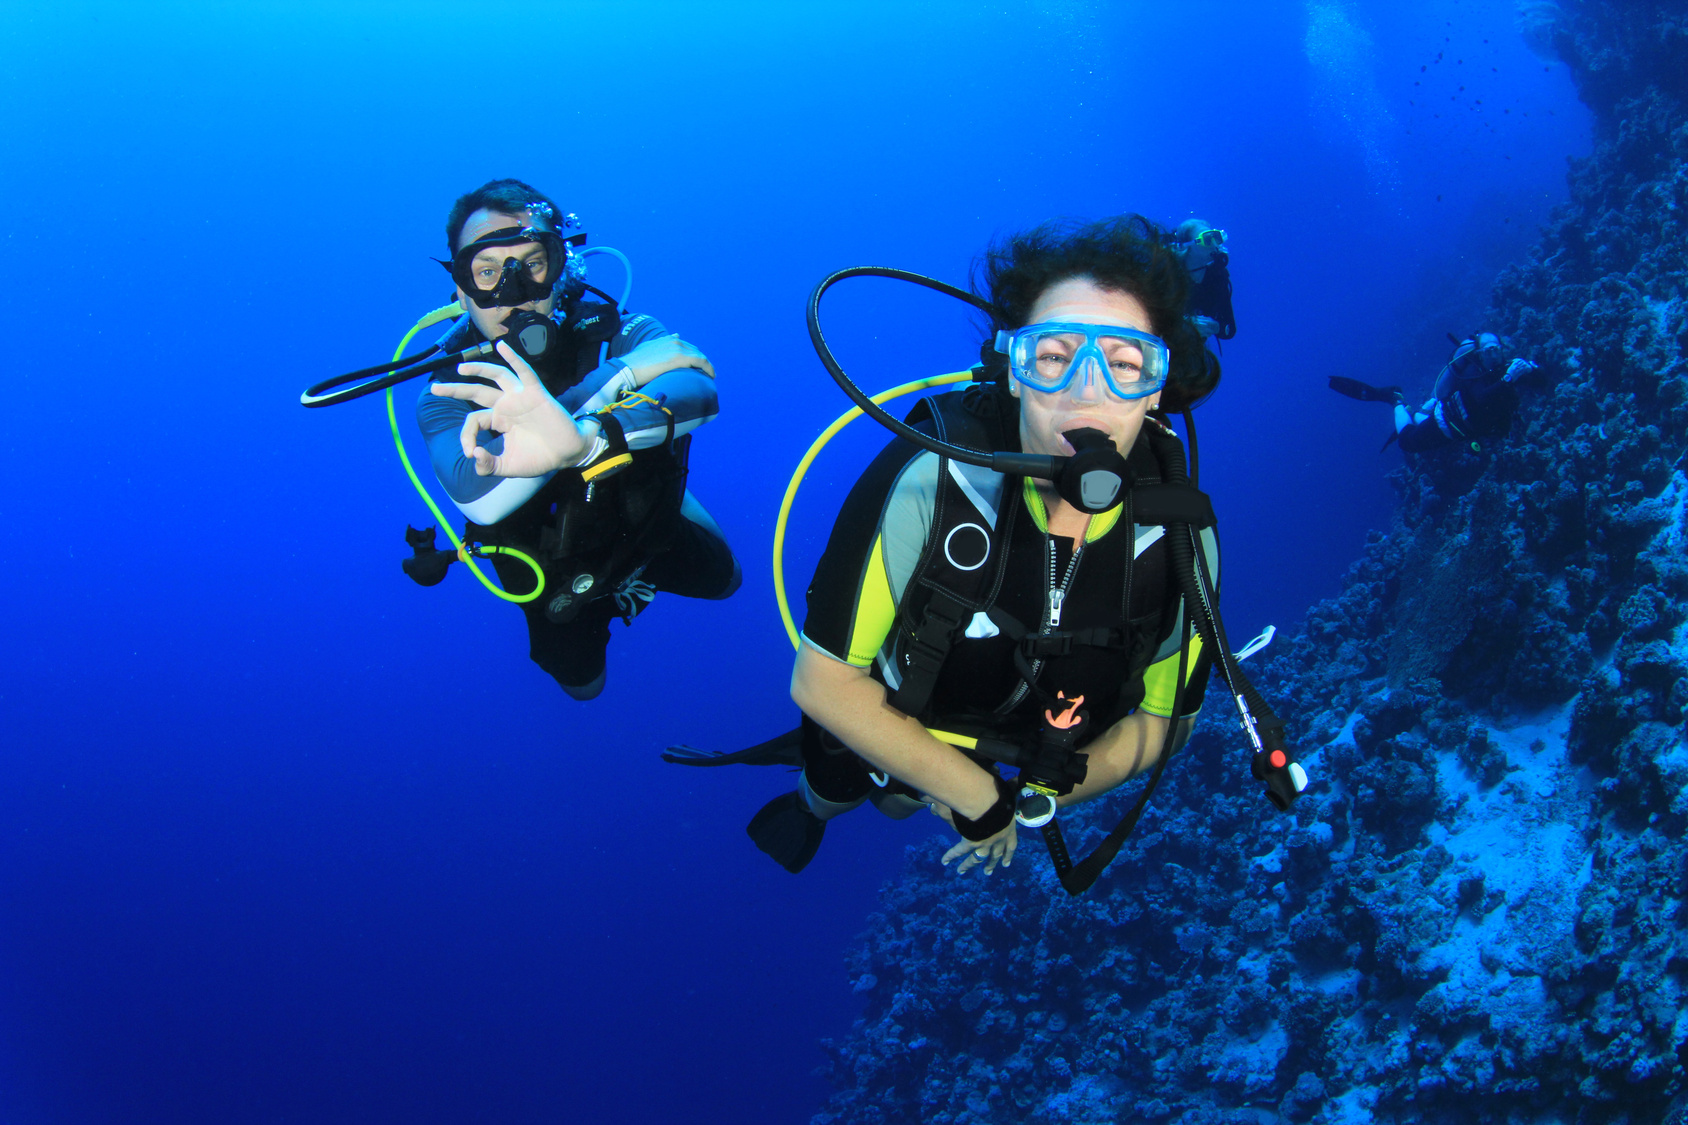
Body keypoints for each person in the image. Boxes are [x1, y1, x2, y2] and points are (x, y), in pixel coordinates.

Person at [675, 216, 1228, 879]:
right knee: (856, 791)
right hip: (897, 702)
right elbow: (822, 682)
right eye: (1052, 356)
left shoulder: (1180, 537)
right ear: (1014, 373)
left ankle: (910, 781)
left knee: (908, 797)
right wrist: (973, 795)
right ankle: (815, 802)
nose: (1088, 388)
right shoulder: (932, 481)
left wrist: (1028, 800)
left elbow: (1167, 719)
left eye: (1125, 363)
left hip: (1042, 745)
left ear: (1158, 390)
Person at [422, 178, 739, 699]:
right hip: (550, 576)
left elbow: (699, 388)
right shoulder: (448, 391)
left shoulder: (620, 332)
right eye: (486, 272)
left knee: (727, 582)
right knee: (583, 685)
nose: (513, 291)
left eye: (532, 264)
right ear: (460, 289)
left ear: (562, 262)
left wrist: (593, 439)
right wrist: (609, 386)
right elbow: (476, 498)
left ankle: (678, 515)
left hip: (648, 532)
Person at [1329, 331, 1539, 453]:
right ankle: (1394, 398)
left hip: (1456, 423)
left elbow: (1542, 383)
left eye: (1496, 349)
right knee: (1407, 443)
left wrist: (1532, 370)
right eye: (1488, 351)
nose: (1493, 355)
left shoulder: (1507, 370)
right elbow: (1482, 399)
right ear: (1480, 354)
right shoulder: (1477, 372)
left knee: (1418, 419)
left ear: (1503, 350)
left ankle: (1417, 414)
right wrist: (1509, 378)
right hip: (1445, 423)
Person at [1171, 218, 1235, 342]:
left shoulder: (1217, 276)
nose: (1215, 245)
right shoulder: (1167, 275)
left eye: (1216, 238)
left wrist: (1216, 327)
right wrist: (1183, 324)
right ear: (1187, 246)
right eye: (1207, 240)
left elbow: (1230, 329)